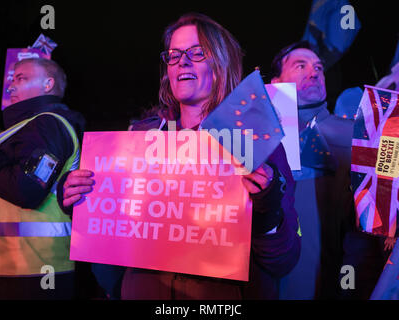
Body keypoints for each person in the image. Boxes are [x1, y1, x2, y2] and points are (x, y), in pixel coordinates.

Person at [60, 12, 300, 300]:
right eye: (173, 55)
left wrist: (267, 205)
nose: (182, 61)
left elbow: (284, 259)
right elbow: (111, 237)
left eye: (197, 53)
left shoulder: (255, 141)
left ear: (222, 63)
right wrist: (81, 197)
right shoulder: (139, 139)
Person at [270, 41, 355, 299]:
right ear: (276, 83)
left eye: (319, 67)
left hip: (332, 285)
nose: (314, 72)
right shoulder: (257, 138)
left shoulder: (355, 135)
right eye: (301, 66)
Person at [0, 57, 85, 299]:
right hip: (17, 267)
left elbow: (26, 189)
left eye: (21, 78)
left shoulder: (48, 124)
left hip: (35, 270)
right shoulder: (21, 128)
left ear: (48, 84)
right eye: (11, 79)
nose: (11, 86)